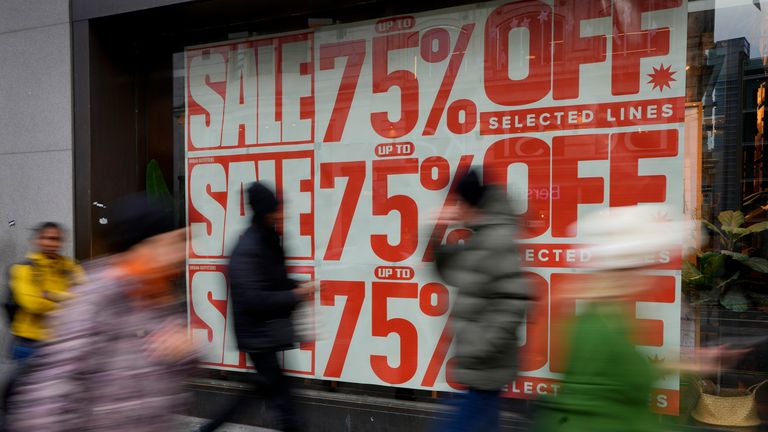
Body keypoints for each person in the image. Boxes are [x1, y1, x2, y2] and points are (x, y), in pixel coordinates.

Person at [532, 205, 735, 432]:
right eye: (643, 267)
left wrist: (693, 363)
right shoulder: (598, 325)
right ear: (622, 272)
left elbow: (626, 376)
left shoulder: (608, 314)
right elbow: (619, 389)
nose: (650, 278)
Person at [7, 197, 196, 432]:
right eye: (176, 241)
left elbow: (169, 375)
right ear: (146, 245)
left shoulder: (161, 298)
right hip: (30, 341)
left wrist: (185, 353)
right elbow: (49, 397)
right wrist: (62, 298)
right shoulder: (99, 298)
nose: (184, 251)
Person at [197, 182, 312, 432]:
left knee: (265, 388)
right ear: (267, 211)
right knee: (283, 397)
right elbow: (256, 299)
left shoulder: (268, 239)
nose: (284, 213)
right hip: (257, 335)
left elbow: (274, 280)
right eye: (278, 209)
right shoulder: (249, 249)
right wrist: (297, 294)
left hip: (267, 332)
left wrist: (299, 287)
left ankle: (207, 429)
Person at [430, 170, 532, 432]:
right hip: (482, 367)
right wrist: (437, 231)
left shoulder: (495, 239)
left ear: (468, 204)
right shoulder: (482, 236)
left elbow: (514, 299)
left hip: (486, 366)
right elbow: (447, 271)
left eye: (457, 202)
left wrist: (481, 345)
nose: (454, 208)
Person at [6, 222, 84, 360]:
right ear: (37, 240)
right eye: (47, 238)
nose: (51, 243)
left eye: (57, 239)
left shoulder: (70, 266)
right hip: (30, 342)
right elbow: (33, 304)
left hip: (61, 339)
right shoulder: (23, 269)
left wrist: (48, 294)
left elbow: (84, 295)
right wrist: (68, 302)